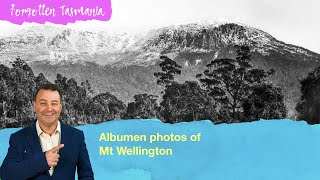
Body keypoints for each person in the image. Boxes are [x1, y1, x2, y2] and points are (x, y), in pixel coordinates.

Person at [0, 84, 94, 179]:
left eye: (54, 103)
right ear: (34, 106)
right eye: (43, 103)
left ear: (60, 107)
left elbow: (87, 175)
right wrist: (41, 162)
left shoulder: (76, 136)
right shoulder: (18, 138)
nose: (49, 108)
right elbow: (6, 175)